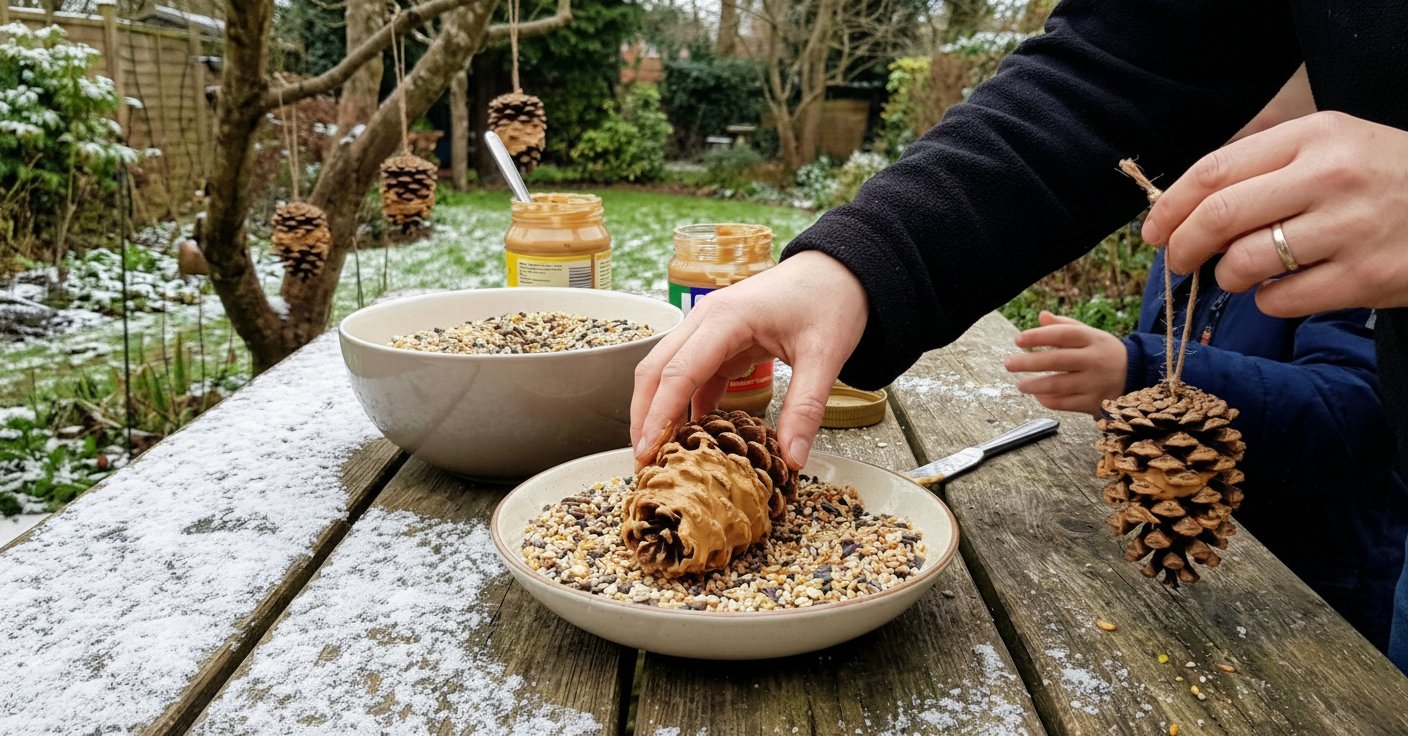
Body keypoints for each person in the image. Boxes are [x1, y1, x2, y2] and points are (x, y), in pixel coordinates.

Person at [629, 2, 1408, 673]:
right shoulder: (1186, 248)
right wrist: (861, 261)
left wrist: (1137, 369)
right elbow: (1119, 66)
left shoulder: (1329, 269)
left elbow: (1350, 410)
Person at [1004, 255, 1405, 648]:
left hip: (1319, 595)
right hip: (1205, 566)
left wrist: (1141, 370)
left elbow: (1362, 412)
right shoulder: (1181, 246)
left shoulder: (1361, 246)